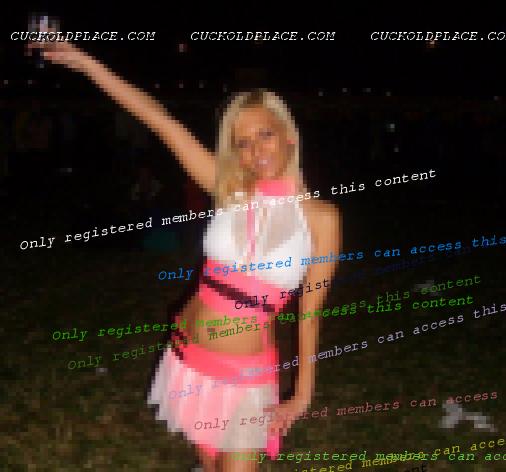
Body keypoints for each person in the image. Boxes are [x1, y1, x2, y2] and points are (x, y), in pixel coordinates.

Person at [28, 37, 342, 472]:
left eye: (265, 134)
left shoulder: (321, 218)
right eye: (243, 142)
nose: (256, 150)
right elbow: (159, 119)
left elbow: (310, 313)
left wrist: (302, 393)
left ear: (289, 136)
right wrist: (87, 65)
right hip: (188, 357)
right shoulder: (228, 189)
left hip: (244, 373)